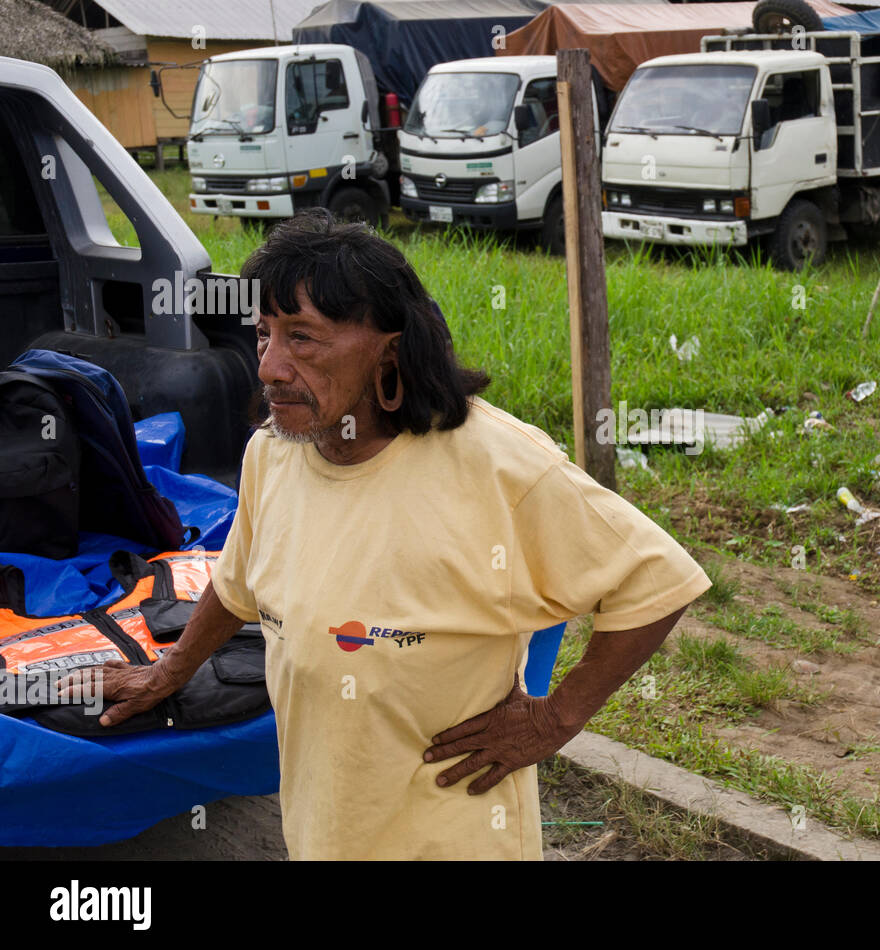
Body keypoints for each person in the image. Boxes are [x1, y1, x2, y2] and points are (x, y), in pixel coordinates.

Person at [57, 210, 710, 859]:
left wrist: (555, 718)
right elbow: (237, 586)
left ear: (389, 351)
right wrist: (169, 669)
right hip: (325, 832)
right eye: (263, 335)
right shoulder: (273, 455)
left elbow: (657, 580)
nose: (270, 367)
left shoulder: (497, 464)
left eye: (303, 338)